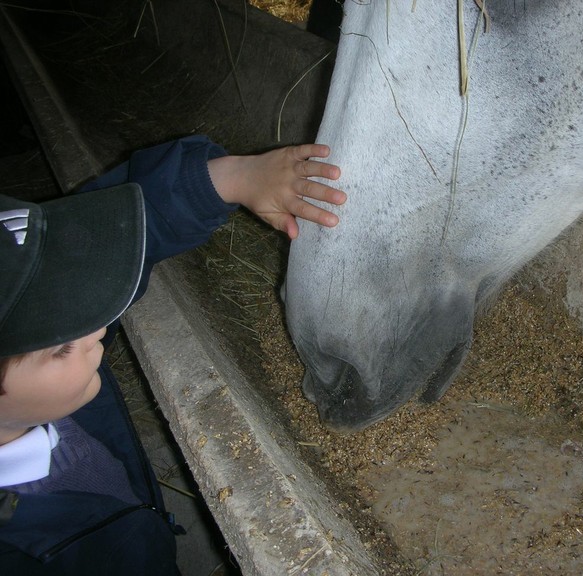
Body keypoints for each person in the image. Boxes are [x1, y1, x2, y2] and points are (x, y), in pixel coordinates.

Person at [0, 135, 346, 575]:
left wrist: (231, 178)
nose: (102, 325)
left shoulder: (31, 398)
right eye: (62, 344)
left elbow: (91, 239)